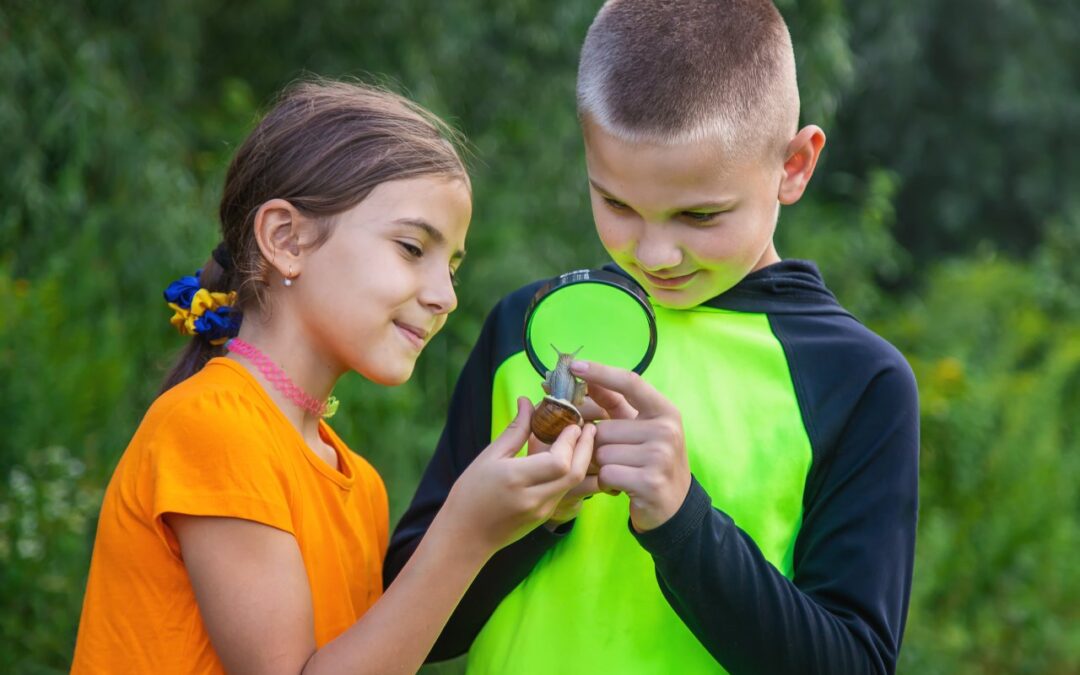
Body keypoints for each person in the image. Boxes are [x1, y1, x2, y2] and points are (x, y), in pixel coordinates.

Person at [385, 1, 919, 673]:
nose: (657, 251)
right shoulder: (528, 327)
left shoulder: (858, 379)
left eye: (699, 214)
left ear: (794, 165)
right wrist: (532, 517)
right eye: (616, 204)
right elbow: (410, 628)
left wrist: (683, 521)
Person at [70, 79, 595, 675]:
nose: (446, 296)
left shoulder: (359, 483)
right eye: (411, 248)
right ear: (286, 240)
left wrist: (534, 512)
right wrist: (467, 531)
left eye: (452, 266)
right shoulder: (213, 427)